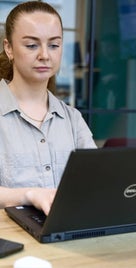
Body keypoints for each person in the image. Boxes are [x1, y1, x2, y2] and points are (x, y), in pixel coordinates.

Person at [0, 1, 97, 215]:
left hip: (67, 235)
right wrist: (29, 195)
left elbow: (96, 179)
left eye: (54, 45)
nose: (45, 55)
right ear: (9, 48)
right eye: (32, 45)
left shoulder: (72, 118)